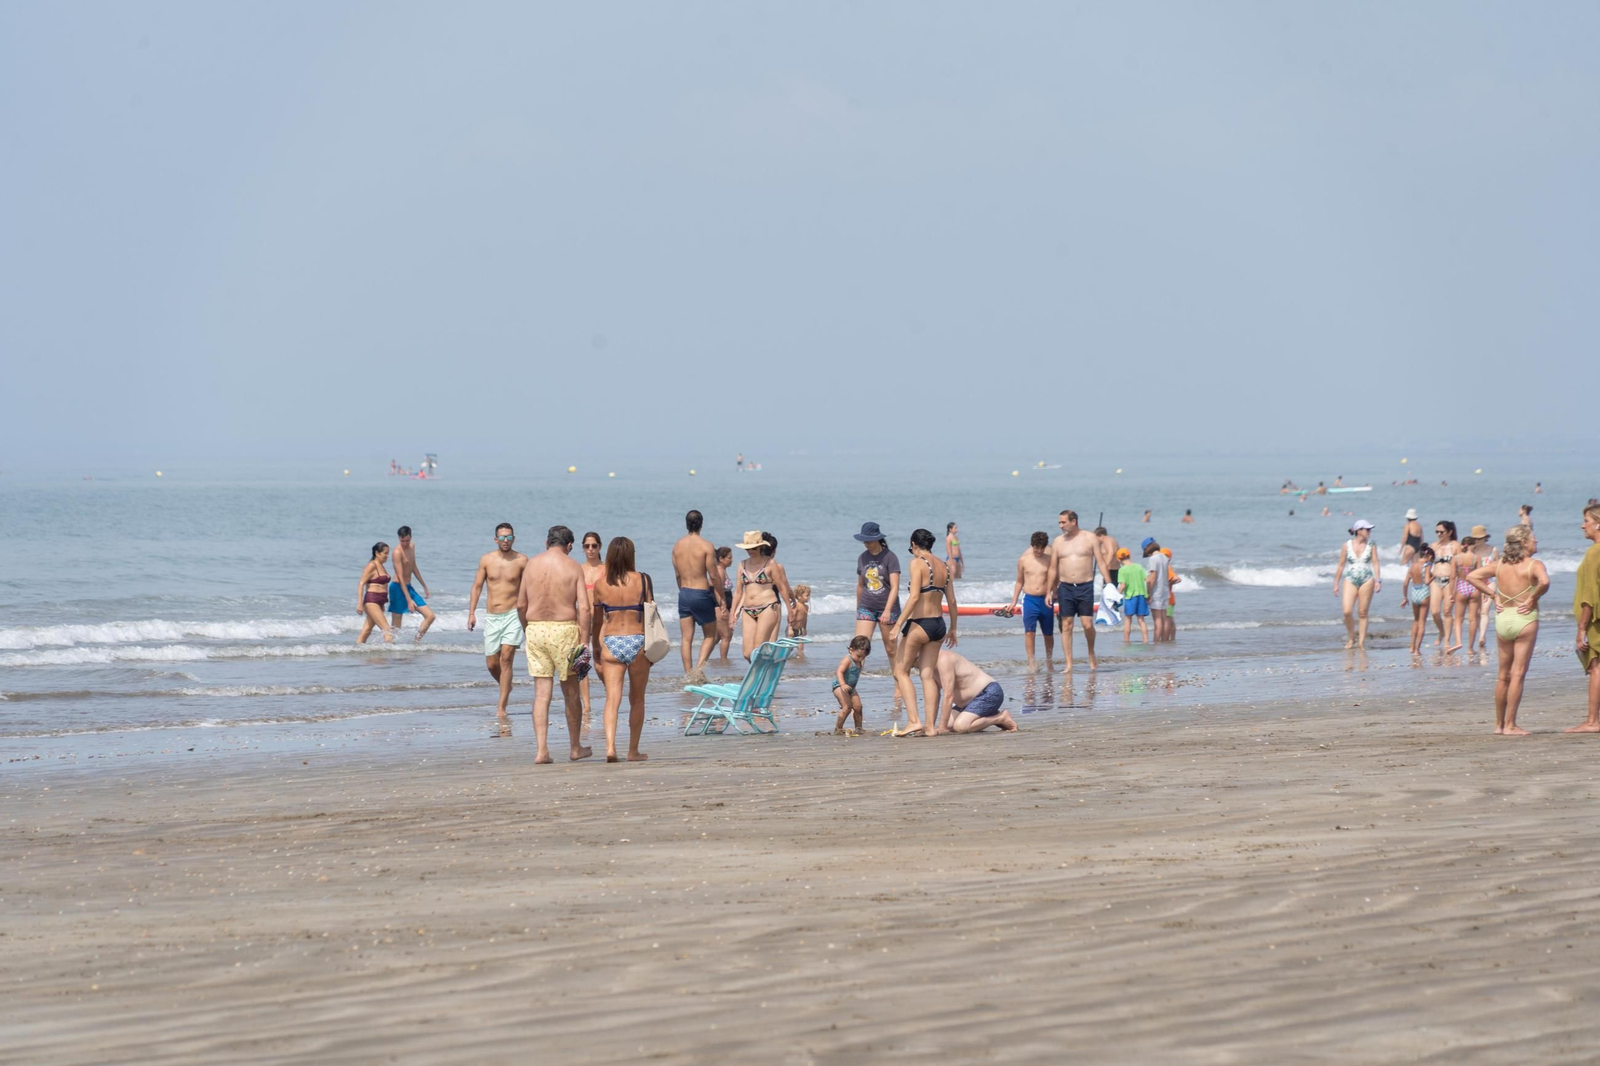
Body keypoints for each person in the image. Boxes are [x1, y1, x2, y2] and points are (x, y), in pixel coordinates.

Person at [516, 525, 592, 764]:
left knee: (541, 693)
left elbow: (520, 605)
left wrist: (527, 629)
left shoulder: (531, 565)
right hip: (564, 629)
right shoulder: (573, 566)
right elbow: (585, 608)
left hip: (536, 628)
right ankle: (575, 747)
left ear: (546, 543)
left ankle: (542, 751)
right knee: (571, 691)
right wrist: (585, 642)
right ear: (569, 546)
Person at [1465, 527, 1549, 736]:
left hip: (1503, 619)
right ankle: (1511, 725)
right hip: (1524, 619)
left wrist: (1494, 597)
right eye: (1533, 539)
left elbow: (1473, 577)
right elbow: (1545, 582)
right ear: (1523, 543)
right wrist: (1532, 598)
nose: (1536, 541)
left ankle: (1499, 725)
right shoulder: (1534, 565)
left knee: (1503, 675)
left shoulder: (1499, 565)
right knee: (1518, 674)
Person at [589, 536, 655, 762]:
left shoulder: (601, 584)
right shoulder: (643, 580)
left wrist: (595, 648)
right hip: (638, 642)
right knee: (637, 699)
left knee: (611, 699)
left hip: (611, 642)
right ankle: (633, 751)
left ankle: (610, 747)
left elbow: (597, 622)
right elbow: (650, 616)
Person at [891, 528, 957, 737]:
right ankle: (929, 727)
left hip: (920, 624)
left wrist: (897, 625)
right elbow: (952, 601)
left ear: (913, 544)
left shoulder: (917, 563)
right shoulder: (944, 566)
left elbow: (914, 598)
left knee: (900, 672)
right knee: (927, 675)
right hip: (938, 625)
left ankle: (913, 721)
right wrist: (954, 628)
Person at [467, 523, 530, 734]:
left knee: (506, 657)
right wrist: (472, 613)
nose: (505, 540)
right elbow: (477, 586)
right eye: (502, 537)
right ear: (495, 539)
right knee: (492, 663)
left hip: (513, 615)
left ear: (513, 538)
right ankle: (506, 685)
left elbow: (530, 588)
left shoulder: (522, 561)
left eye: (509, 537)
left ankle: (501, 707)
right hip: (492, 616)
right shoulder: (487, 560)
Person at [1045, 510, 1108, 672]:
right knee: (1066, 625)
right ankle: (1069, 664)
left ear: (1074, 521)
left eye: (1063, 522)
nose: (1060, 526)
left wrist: (1110, 584)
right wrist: (1048, 591)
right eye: (1059, 522)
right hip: (1065, 587)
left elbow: (1101, 562)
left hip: (1085, 586)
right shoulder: (1058, 542)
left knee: (1087, 625)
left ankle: (1091, 652)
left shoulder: (1089, 537)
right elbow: (1052, 568)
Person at [671, 509, 726, 679]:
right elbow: (714, 575)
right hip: (701, 593)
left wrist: (683, 592)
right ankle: (699, 669)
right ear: (701, 524)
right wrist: (721, 597)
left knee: (686, 638)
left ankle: (688, 674)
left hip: (684, 593)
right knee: (711, 634)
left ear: (686, 524)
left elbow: (678, 575)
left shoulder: (677, 546)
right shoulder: (706, 546)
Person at [729, 531, 793, 660]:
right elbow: (738, 591)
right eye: (748, 549)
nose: (750, 551)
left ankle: (761, 676)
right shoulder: (742, 564)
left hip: (767, 607)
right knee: (747, 653)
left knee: (758, 650)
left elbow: (781, 587)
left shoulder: (770, 564)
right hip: (748, 610)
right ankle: (763, 671)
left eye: (753, 548)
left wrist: (790, 610)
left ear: (760, 547)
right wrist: (732, 613)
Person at [1567, 504, 1600, 734]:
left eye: (1586, 521)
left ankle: (1592, 721)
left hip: (1595, 622)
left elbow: (1589, 596)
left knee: (1596, 667)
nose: (1582, 525)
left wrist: (1581, 628)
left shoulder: (1594, 553)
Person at [1004, 532, 1055, 670]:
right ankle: (1031, 663)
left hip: (1045, 600)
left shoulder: (1050, 560)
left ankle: (1049, 661)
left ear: (1045, 547)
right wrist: (1013, 601)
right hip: (1029, 600)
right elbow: (1019, 581)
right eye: (1036, 548)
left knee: (1048, 633)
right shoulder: (1023, 560)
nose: (1039, 551)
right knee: (1029, 632)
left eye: (1042, 548)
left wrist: (1053, 593)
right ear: (1032, 546)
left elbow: (1055, 579)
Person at [935, 651, 1017, 734]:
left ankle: (1000, 718)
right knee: (949, 725)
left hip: (987, 693)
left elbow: (948, 695)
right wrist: (930, 725)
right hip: (966, 703)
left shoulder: (944, 659)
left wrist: (942, 727)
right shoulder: (926, 664)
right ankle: (988, 712)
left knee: (960, 727)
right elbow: (934, 696)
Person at [852, 522, 901, 659]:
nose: (866, 543)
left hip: (887, 608)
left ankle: (899, 680)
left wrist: (887, 610)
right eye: (864, 540)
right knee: (859, 649)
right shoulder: (862, 558)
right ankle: (850, 681)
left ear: (877, 539)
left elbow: (895, 587)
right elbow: (860, 585)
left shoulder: (890, 557)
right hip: (866, 607)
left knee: (891, 650)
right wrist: (859, 608)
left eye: (869, 540)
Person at [1332, 519, 1381, 650]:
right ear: (1359, 531)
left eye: (1370, 529)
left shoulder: (1371, 544)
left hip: (1367, 579)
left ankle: (1361, 643)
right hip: (1350, 579)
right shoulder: (1346, 545)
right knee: (1347, 611)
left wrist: (1378, 580)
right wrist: (1336, 583)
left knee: (1363, 612)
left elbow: (1375, 562)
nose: (1370, 532)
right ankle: (1351, 637)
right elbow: (1341, 564)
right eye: (1367, 529)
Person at [577, 532, 605, 740]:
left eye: (594, 546)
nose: (590, 550)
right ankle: (586, 705)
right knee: (582, 662)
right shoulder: (579, 570)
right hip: (583, 620)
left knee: (602, 662)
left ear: (600, 547)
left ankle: (610, 696)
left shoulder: (606, 569)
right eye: (587, 546)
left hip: (603, 619)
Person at [388, 525, 437, 643]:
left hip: (408, 587)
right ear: (399, 538)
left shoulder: (412, 546)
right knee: (396, 626)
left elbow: (413, 566)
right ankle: (389, 648)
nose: (405, 543)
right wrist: (409, 600)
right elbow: (400, 577)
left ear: (411, 538)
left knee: (430, 616)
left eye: (407, 540)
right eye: (402, 541)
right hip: (397, 588)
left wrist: (424, 585)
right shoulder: (396, 552)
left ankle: (416, 642)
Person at [356, 542, 397, 644]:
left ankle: (357, 651)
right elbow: (361, 584)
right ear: (377, 553)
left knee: (366, 631)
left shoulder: (381, 566)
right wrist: (360, 603)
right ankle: (393, 656)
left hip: (379, 602)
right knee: (387, 629)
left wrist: (382, 604)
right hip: (371, 601)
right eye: (385, 553)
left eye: (388, 553)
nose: (387, 556)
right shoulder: (372, 565)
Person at [1449, 530, 1482, 653]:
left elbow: (1452, 577)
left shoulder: (1456, 559)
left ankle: (1458, 642)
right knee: (1473, 619)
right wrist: (1483, 591)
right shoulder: (1476, 558)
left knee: (1458, 618)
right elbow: (1480, 575)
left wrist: (1451, 594)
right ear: (1473, 545)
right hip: (1474, 587)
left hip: (1461, 586)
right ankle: (1470, 648)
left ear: (1462, 545)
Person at [1429, 521, 1461, 647]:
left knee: (1447, 611)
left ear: (1449, 532)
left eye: (1441, 532)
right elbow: (1428, 564)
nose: (1438, 534)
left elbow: (1459, 565)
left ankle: (1447, 640)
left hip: (1449, 581)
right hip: (1436, 580)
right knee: (1435, 612)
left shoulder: (1455, 546)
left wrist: (1457, 583)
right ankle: (1441, 632)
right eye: (1436, 532)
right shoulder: (1434, 546)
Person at [831, 635, 870, 734]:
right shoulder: (847, 660)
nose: (860, 659)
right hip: (839, 686)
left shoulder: (859, 661)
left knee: (858, 707)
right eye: (858, 656)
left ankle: (859, 728)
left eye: (863, 657)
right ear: (851, 650)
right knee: (847, 707)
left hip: (851, 687)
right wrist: (843, 684)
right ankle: (838, 728)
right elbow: (839, 672)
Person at [1402, 544, 1436, 656]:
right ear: (1429, 556)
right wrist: (1433, 577)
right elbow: (1426, 581)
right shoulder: (1427, 565)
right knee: (1422, 623)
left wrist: (1404, 597)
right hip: (1424, 592)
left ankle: (1411, 647)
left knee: (1415, 621)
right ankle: (1417, 649)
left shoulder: (1412, 566)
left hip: (1414, 593)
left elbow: (1405, 583)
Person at [1117, 548, 1150, 643]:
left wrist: (1116, 595)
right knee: (1141, 619)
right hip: (1141, 595)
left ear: (1119, 560)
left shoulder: (1122, 570)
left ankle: (1126, 641)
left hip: (1130, 596)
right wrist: (1148, 593)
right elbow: (1147, 580)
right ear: (1130, 556)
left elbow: (1123, 585)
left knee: (1128, 619)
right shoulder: (1139, 567)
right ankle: (1145, 641)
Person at [1143, 538, 1171, 640]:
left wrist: (1148, 593)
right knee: (1164, 619)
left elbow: (1153, 577)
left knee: (1157, 620)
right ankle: (1164, 640)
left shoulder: (1153, 559)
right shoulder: (1164, 557)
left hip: (1156, 592)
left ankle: (1156, 642)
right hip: (1165, 591)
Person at [714, 546, 734, 661]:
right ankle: (723, 660)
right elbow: (717, 590)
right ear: (721, 558)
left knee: (716, 637)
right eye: (729, 558)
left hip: (723, 605)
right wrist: (723, 607)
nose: (731, 560)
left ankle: (704, 660)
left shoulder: (723, 570)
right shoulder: (720, 571)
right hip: (720, 606)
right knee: (726, 635)